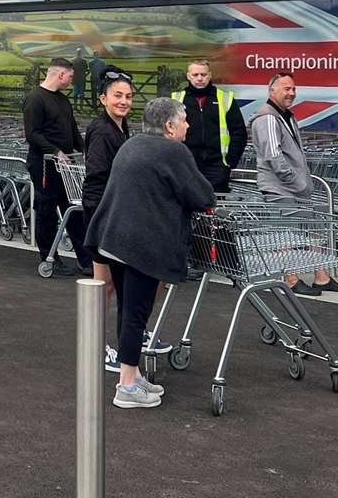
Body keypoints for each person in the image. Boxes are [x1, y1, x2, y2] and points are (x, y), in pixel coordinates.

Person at [86, 97, 216, 409]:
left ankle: (129, 375)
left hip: (112, 236)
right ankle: (127, 386)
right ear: (170, 126)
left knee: (128, 309)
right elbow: (201, 195)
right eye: (184, 120)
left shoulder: (132, 145)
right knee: (136, 312)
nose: (187, 125)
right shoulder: (173, 151)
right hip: (142, 243)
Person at [248, 72, 338, 295]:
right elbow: (273, 156)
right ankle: (291, 279)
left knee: (313, 230)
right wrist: (294, 181)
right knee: (287, 234)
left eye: (293, 89)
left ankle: (322, 277)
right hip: (281, 188)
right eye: (286, 89)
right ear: (271, 91)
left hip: (295, 187)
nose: (291, 93)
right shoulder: (267, 118)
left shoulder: (286, 116)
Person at [84, 68, 134, 373]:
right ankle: (96, 344)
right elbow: (98, 179)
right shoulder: (102, 131)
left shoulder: (121, 127)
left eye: (128, 96)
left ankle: (113, 341)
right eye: (117, 95)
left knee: (112, 284)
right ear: (103, 98)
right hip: (103, 216)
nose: (124, 101)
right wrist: (105, 217)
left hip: (112, 215)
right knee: (103, 285)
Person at [22, 57, 87, 274]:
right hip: (44, 165)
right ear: (61, 74)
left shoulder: (63, 101)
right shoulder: (35, 99)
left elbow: (73, 131)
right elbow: (32, 134)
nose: (71, 80)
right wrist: (55, 151)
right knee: (46, 211)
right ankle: (50, 258)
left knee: (74, 210)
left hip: (65, 166)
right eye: (70, 76)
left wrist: (87, 150)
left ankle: (86, 260)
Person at [172, 59, 247, 192]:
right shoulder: (176, 99)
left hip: (217, 166)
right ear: (188, 76)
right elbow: (168, 132)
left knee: (216, 209)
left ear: (210, 75)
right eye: (195, 75)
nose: (200, 78)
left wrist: (230, 162)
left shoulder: (224, 98)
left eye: (203, 74)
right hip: (186, 165)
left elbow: (239, 132)